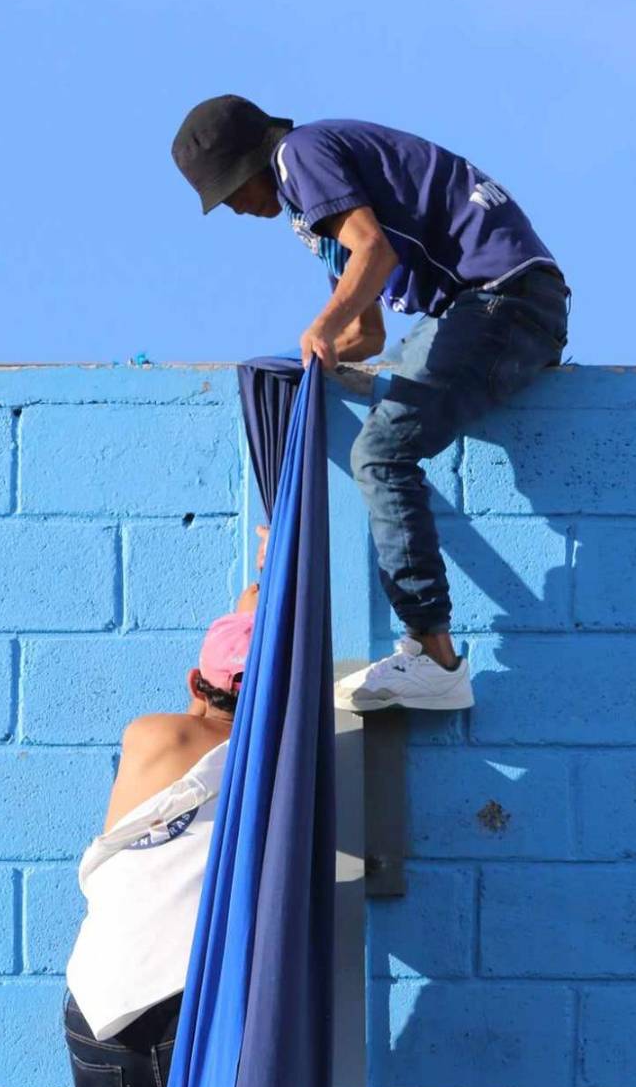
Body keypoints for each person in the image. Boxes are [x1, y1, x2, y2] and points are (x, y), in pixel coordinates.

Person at [172, 95, 570, 714]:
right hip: (495, 308)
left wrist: (320, 327)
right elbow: (366, 334)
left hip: (500, 300)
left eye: (229, 192)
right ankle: (430, 650)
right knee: (383, 407)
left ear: (250, 163)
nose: (235, 208)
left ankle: (434, 656)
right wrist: (305, 371)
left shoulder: (299, 156)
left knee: (380, 454)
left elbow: (375, 255)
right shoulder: (316, 207)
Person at [62, 596, 257, 1087]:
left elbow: (202, 723)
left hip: (97, 1004)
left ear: (195, 683)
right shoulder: (273, 759)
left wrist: (249, 603)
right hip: (187, 1002)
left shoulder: (150, 736)